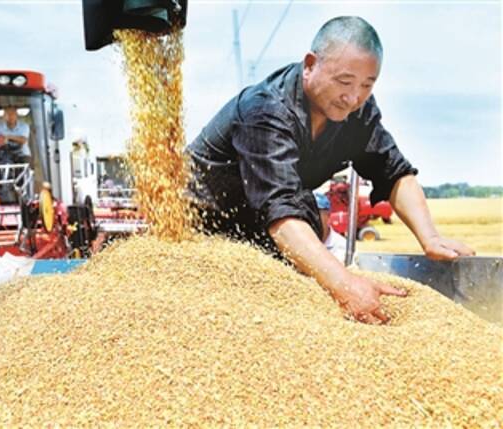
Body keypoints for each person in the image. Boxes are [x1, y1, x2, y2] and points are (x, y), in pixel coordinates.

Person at [187, 16, 474, 325]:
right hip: (203, 235)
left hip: (262, 236)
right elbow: (280, 212)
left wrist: (429, 236)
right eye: (344, 81)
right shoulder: (265, 110)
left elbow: (393, 171)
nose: (353, 97)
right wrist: (344, 284)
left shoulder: (357, 112)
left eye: (367, 84)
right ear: (311, 64)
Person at [314, 192, 347, 262]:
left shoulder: (342, 247)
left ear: (328, 217)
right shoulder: (299, 243)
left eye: (316, 213)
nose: (312, 218)